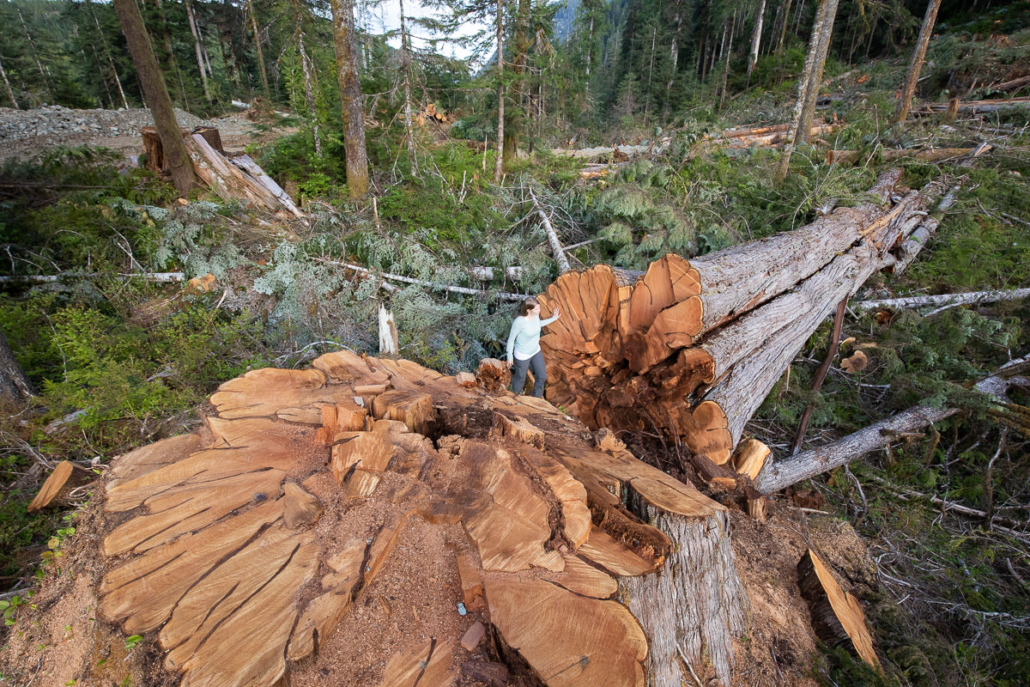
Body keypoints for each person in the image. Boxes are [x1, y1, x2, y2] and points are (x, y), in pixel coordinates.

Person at [506, 297, 561, 398]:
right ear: (528, 310)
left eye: (539, 308)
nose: (539, 311)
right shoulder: (519, 322)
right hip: (522, 354)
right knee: (520, 378)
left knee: (542, 376)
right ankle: (513, 399)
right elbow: (511, 339)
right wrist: (509, 356)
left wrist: (553, 318)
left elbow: (538, 325)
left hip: (535, 351)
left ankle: (536, 399)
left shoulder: (536, 317)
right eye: (536, 309)